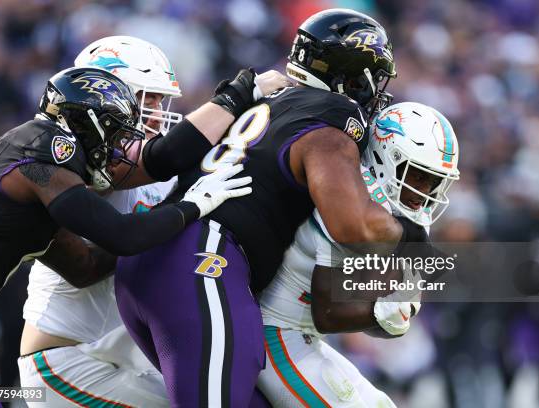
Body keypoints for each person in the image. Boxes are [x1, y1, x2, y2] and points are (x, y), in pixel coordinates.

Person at [113, 8, 428, 407]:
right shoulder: (333, 115)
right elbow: (353, 225)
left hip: (159, 259)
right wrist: (408, 235)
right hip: (203, 262)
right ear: (352, 76)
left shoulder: (265, 100)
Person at [0, 55, 288, 392]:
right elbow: (122, 236)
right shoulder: (45, 147)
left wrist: (170, 214)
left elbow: (86, 267)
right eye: (116, 134)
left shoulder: (39, 187)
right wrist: (191, 206)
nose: (120, 147)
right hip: (63, 362)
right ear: (86, 122)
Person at [257, 102, 461, 407]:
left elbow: (377, 300)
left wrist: (393, 312)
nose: (424, 191)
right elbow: (327, 313)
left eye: (433, 181)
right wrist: (382, 313)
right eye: (417, 175)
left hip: (304, 336)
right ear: (387, 158)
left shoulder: (406, 209)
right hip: (273, 330)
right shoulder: (350, 195)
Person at [18, 36, 179, 407]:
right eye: (147, 98)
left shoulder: (160, 171)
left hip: (113, 358)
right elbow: (121, 178)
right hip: (62, 365)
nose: (158, 111)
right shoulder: (75, 163)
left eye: (159, 98)